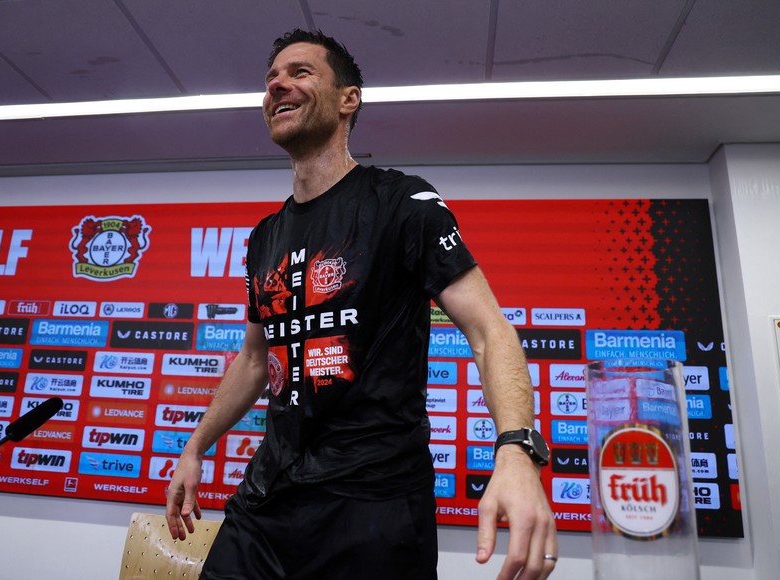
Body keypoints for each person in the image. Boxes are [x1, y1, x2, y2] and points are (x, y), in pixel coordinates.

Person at [165, 28, 558, 580]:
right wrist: (195, 447)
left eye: (300, 72)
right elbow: (256, 359)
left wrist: (517, 450)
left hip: (373, 508)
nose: (278, 83)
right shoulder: (265, 236)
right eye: (272, 77)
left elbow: (490, 330)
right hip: (267, 502)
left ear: (349, 99)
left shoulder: (403, 204)